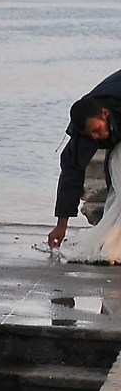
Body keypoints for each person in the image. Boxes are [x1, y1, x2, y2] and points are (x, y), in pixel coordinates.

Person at [49, 71, 121, 262]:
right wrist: (61, 224)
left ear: (105, 114)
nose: (96, 137)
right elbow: (72, 171)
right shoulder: (87, 131)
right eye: (91, 134)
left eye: (98, 130)